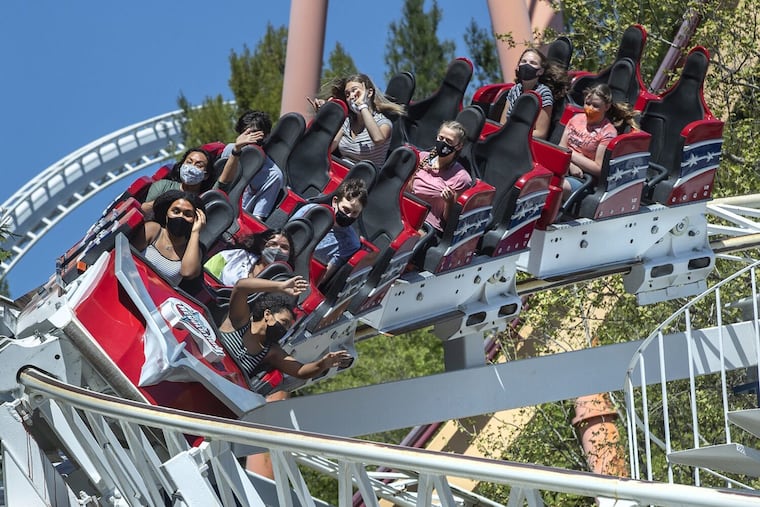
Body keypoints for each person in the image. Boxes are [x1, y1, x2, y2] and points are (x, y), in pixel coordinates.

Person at [218, 291, 352, 383]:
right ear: (268, 315)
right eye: (284, 322)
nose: (284, 329)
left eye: (288, 328)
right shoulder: (239, 321)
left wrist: (323, 364)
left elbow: (300, 371)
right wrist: (278, 287)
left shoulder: (271, 351)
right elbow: (241, 287)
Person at [309, 73, 405, 167]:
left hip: (366, 176)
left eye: (355, 91)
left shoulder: (383, 123)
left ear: (369, 93)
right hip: (340, 170)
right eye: (347, 94)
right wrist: (323, 117)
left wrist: (362, 105)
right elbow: (328, 148)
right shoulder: (347, 121)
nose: (351, 96)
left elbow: (378, 139)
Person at [560, 83, 638, 198]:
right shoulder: (575, 119)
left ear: (606, 107)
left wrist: (571, 155)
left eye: (595, 106)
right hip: (565, 167)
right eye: (587, 104)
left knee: (558, 186)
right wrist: (570, 164)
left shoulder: (608, 133)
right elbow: (560, 147)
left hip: (584, 179)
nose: (590, 108)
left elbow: (598, 168)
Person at [291, 178, 367, 285]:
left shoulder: (351, 244)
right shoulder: (310, 212)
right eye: (346, 210)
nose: (349, 216)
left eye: (355, 213)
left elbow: (321, 278)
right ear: (335, 202)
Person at [130, 189, 206, 285]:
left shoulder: (194, 250)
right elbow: (127, 255)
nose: (181, 216)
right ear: (166, 214)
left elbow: (188, 273)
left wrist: (195, 232)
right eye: (176, 211)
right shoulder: (153, 230)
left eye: (187, 214)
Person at [408, 121, 473, 234]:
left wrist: (449, 202)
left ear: (458, 146)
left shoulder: (461, 178)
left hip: (427, 226)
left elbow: (450, 220)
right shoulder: (421, 157)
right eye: (441, 138)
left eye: (449, 141)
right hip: (405, 212)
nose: (443, 143)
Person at [219, 110, 284, 220]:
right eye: (246, 133)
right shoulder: (229, 150)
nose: (250, 138)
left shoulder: (273, 175)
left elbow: (257, 217)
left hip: (238, 221)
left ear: (266, 136)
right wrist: (236, 150)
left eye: (255, 133)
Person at [498, 47, 569, 140]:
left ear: (540, 71)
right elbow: (502, 122)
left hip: (525, 142)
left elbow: (541, 133)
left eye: (533, 63)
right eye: (524, 61)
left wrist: (514, 134)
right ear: (518, 67)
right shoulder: (514, 89)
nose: (527, 65)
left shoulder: (543, 93)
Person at [141, 147, 230, 214]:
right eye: (189, 162)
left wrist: (235, 151)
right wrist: (166, 200)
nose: (191, 168)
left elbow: (224, 179)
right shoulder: (163, 185)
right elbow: (144, 210)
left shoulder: (206, 197)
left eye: (198, 165)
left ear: (206, 175)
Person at [204, 229, 294, 286]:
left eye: (284, 247)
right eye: (273, 244)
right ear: (262, 245)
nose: (278, 250)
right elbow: (205, 277)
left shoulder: (283, 283)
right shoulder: (234, 256)